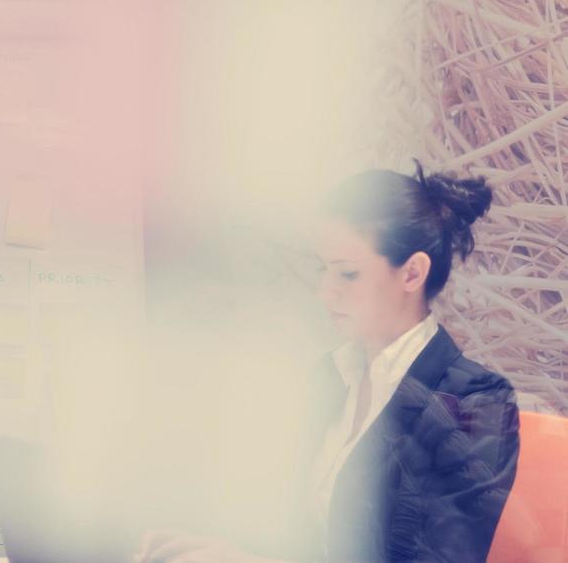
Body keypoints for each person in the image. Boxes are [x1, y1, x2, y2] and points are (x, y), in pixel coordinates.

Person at [140, 163, 519, 563]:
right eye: (324, 268)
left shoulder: (475, 403)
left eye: (348, 274)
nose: (324, 291)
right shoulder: (331, 376)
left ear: (412, 273)